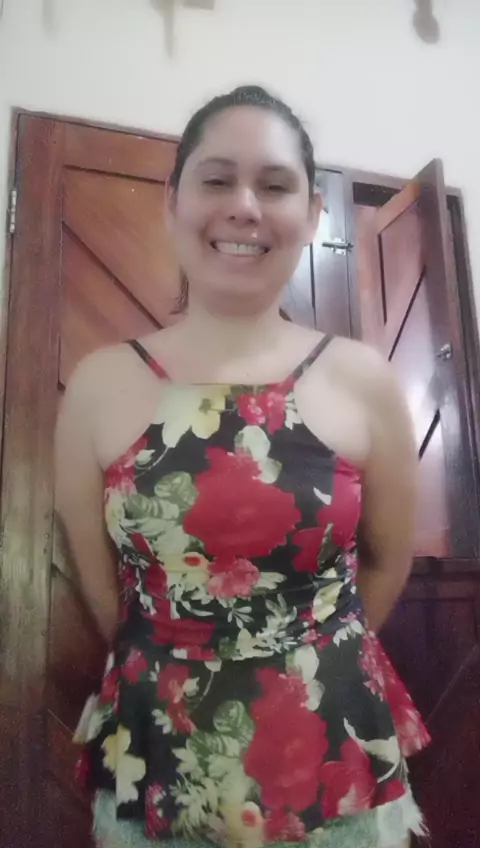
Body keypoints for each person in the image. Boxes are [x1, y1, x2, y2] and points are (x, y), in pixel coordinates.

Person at [55, 85, 430, 848]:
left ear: (313, 214)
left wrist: (303, 656)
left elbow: (387, 563)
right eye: (218, 179)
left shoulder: (363, 380)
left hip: (331, 748)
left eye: (276, 185)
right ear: (173, 202)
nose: (245, 207)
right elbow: (101, 589)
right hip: (158, 747)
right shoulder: (97, 384)